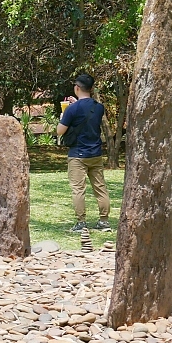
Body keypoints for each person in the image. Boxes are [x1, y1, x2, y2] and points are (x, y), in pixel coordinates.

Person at [57, 73, 111, 232]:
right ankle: (104, 222)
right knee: (100, 188)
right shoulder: (99, 107)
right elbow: (86, 112)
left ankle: (81, 223)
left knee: (78, 189)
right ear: (92, 88)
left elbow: (60, 131)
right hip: (95, 154)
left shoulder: (71, 109)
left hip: (77, 155)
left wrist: (63, 115)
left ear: (77, 88)